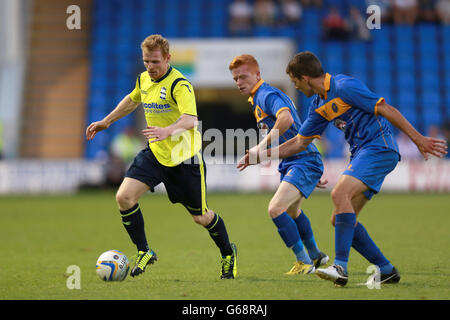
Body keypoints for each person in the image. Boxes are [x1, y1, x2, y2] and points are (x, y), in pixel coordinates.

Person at [238, 51, 448, 286]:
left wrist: (418, 138)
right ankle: (386, 269)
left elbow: (387, 109)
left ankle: (340, 267)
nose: (296, 87)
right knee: (339, 219)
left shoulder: (345, 86)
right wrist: (262, 155)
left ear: (305, 78)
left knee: (339, 193)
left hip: (378, 146)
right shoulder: (318, 105)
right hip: (362, 154)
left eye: (296, 82)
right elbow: (299, 142)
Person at [86, 34, 237, 279]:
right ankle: (144, 251)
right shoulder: (143, 79)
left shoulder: (180, 84)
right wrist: (106, 121)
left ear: (167, 58)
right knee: (124, 197)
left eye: (155, 61)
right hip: (155, 153)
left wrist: (167, 131)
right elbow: (132, 100)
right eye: (146, 61)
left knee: (201, 217)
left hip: (185, 159)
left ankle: (228, 254)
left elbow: (191, 119)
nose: (150, 67)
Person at [230, 54, 329, 275]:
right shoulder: (258, 98)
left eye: (243, 76)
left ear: (257, 75)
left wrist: (261, 147)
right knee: (293, 211)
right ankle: (316, 256)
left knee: (276, 209)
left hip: (302, 159)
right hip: (298, 160)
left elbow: (287, 120)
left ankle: (304, 262)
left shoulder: (266, 94)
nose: (239, 82)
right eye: (235, 78)